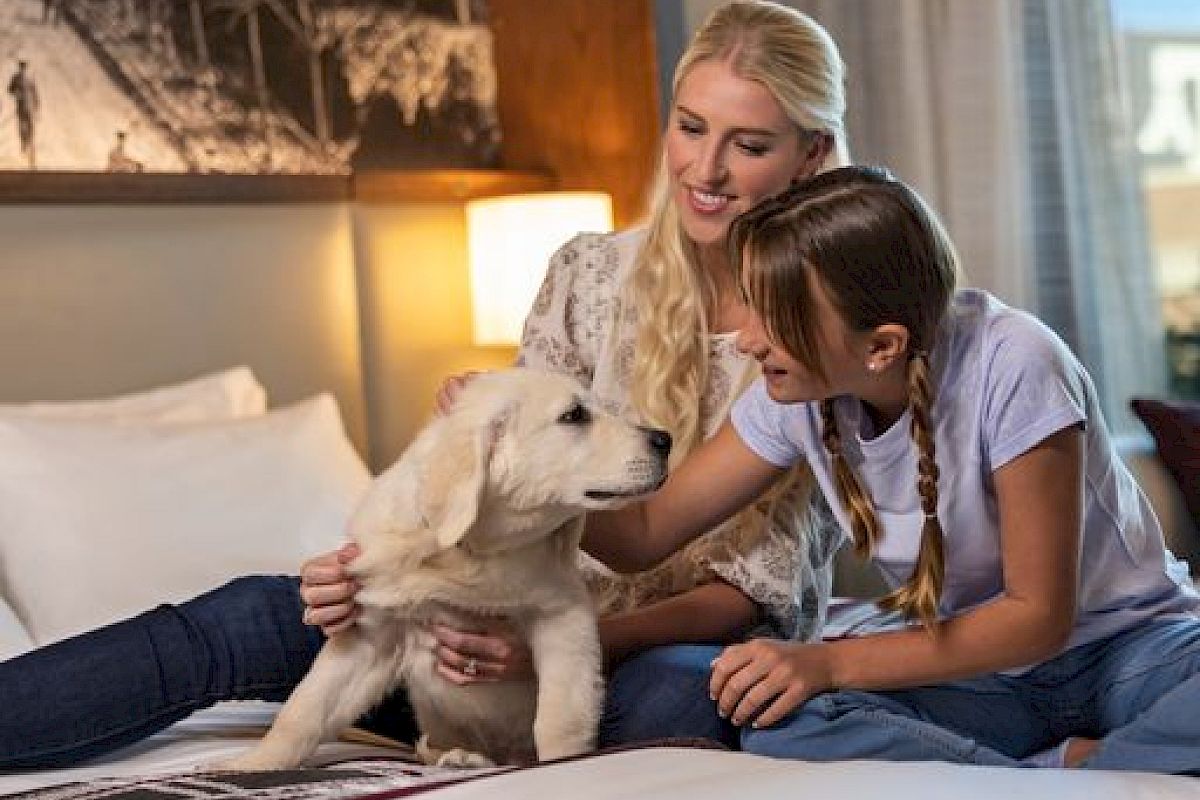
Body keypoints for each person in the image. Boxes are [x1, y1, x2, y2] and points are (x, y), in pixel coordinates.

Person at [0, 0, 851, 769]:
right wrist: (379, 573)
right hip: (472, 639)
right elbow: (498, 493)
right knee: (257, 610)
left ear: (809, 155)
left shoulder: (821, 332)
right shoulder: (589, 271)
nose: (704, 169)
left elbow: (744, 598)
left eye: (748, 144)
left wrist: (570, 639)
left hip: (628, 652)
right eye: (690, 127)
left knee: (686, 694)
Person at [582, 165, 1200, 773]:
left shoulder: (1018, 361)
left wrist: (826, 664)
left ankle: (1027, 774)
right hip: (977, 678)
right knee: (766, 717)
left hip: (1130, 650)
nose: (747, 339)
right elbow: (642, 535)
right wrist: (505, 457)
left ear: (882, 346)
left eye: (775, 316)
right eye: (751, 304)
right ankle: (1066, 770)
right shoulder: (794, 397)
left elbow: (1037, 619)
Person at [7, 60, 39, 168]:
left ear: (26, 68)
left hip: (30, 107)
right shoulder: (15, 78)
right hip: (20, 106)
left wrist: (37, 106)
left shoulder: (30, 78)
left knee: (31, 126)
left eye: (24, 68)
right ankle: (24, 143)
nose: (23, 70)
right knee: (21, 126)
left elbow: (35, 92)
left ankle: (29, 142)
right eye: (21, 67)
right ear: (19, 68)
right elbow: (10, 90)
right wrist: (16, 93)